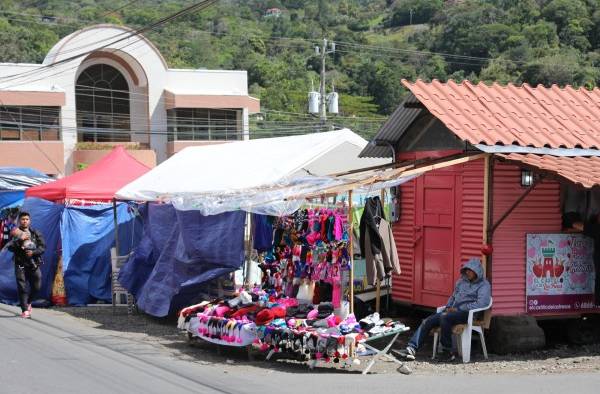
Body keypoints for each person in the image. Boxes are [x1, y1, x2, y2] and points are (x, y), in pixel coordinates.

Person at [397, 258, 491, 362]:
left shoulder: (484, 285)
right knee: (427, 321)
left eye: (470, 270)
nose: (467, 272)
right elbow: (453, 296)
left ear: (477, 271)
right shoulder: (461, 282)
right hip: (452, 311)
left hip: (468, 313)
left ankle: (447, 352)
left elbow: (483, 303)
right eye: (466, 270)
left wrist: (459, 308)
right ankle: (411, 349)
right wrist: (448, 307)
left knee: (444, 317)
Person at [6, 211, 45, 319]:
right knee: (22, 287)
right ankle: (24, 310)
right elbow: (9, 247)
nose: (25, 221)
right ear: (19, 221)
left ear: (30, 220)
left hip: (33, 263)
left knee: (37, 286)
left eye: (26, 219)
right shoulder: (15, 232)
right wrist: (19, 240)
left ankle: (28, 302)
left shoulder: (35, 233)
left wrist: (33, 252)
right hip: (20, 264)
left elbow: (42, 247)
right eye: (23, 219)